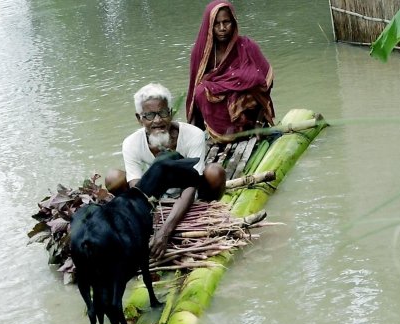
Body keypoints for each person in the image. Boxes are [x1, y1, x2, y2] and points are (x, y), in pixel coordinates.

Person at [105, 83, 226, 259]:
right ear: (140, 118)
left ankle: (206, 210)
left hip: (191, 195)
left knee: (215, 173)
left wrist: (165, 231)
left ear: (170, 113)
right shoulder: (131, 143)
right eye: (149, 115)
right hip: (154, 199)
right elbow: (137, 190)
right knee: (113, 178)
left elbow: (190, 187)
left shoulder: (193, 135)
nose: (158, 121)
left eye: (162, 113)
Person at [186, 0, 276, 143]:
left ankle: (251, 127)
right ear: (209, 26)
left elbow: (267, 81)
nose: (222, 28)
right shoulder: (202, 54)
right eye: (217, 23)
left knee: (250, 84)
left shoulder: (247, 46)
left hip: (248, 116)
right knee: (201, 91)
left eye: (226, 22)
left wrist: (259, 122)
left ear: (233, 22)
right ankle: (223, 135)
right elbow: (193, 91)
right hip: (219, 118)